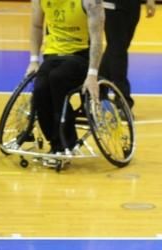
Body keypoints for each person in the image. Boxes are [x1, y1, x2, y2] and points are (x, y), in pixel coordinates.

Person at [25, 0, 104, 155]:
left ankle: (67, 142)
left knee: (57, 78)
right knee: (40, 88)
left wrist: (92, 75)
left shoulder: (90, 2)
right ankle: (55, 142)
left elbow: (97, 38)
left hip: (80, 56)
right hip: (52, 56)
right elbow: (36, 26)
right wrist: (34, 60)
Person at [100, 0, 157, 110]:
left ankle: (99, 90)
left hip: (132, 5)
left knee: (116, 49)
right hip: (112, 5)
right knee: (118, 50)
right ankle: (123, 100)